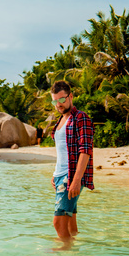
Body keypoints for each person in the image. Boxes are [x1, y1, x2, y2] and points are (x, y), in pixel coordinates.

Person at [50, 81, 94, 244]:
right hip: (61, 176)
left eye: (62, 99)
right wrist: (55, 175)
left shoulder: (80, 118)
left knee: (58, 222)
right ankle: (75, 253)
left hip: (71, 177)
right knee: (69, 222)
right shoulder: (60, 121)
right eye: (55, 101)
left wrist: (75, 181)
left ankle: (65, 254)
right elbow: (62, 152)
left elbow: (85, 150)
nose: (59, 104)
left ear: (71, 97)